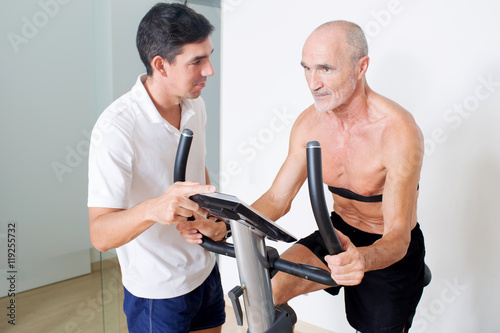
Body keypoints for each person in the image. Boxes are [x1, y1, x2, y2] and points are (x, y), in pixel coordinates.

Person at [180, 20, 426, 333]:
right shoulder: (310, 124)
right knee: (266, 296)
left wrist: (363, 259)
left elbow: (398, 236)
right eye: (306, 68)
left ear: (361, 67)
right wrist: (222, 226)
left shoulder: (398, 132)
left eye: (325, 69)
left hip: (387, 248)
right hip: (336, 232)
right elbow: (276, 199)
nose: (313, 83)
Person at [87, 3, 227, 333]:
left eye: (209, 56)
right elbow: (100, 234)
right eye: (197, 61)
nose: (209, 70)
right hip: (158, 294)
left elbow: (198, 169)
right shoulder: (116, 128)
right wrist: (154, 208)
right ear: (160, 65)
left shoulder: (196, 105)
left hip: (205, 270)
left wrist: (212, 220)